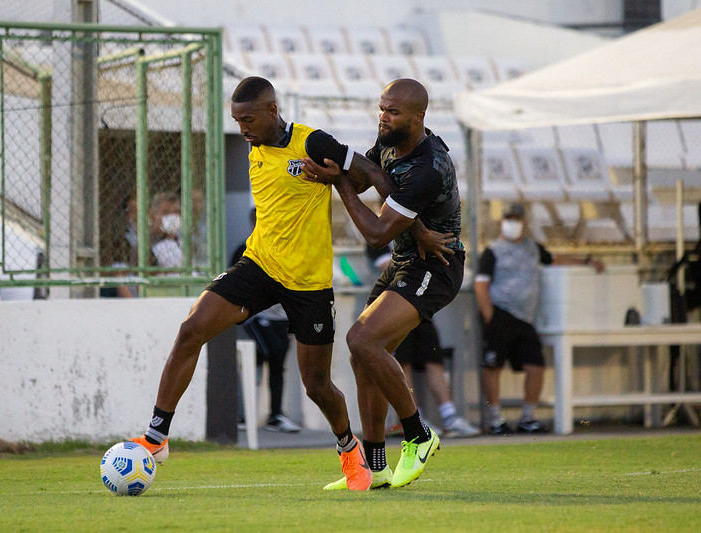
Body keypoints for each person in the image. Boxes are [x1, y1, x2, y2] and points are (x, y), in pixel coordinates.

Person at [131, 76, 401, 491]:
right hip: (259, 266)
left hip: (308, 282)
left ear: (273, 111)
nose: (243, 129)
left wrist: (399, 220)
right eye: (238, 121)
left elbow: (370, 173)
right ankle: (156, 437)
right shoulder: (256, 147)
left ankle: (349, 450)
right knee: (190, 330)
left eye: (250, 119)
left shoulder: (312, 143)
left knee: (316, 386)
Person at [302, 78, 463, 489]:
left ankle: (419, 435)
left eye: (392, 111)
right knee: (364, 356)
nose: (383, 117)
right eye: (381, 108)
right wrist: (337, 171)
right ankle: (375, 467)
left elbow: (375, 232)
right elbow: (370, 181)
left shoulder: (430, 165)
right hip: (405, 261)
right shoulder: (390, 141)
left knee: (362, 340)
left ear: (418, 116)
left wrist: (338, 182)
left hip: (436, 266)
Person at [475, 202, 604, 435]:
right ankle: (495, 419)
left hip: (525, 318)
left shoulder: (532, 248)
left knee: (536, 366)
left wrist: (586, 262)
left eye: (517, 218)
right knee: (493, 366)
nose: (512, 223)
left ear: (524, 222)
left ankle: (527, 418)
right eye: (509, 218)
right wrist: (490, 316)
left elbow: (555, 259)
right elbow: (481, 284)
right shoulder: (493, 251)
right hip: (500, 314)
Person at [368, 245, 479, 439]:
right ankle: (415, 418)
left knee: (433, 359)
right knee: (403, 364)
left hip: (420, 305)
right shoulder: (379, 238)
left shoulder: (415, 231)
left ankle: (449, 416)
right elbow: (392, 269)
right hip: (393, 310)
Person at [230, 208, 301, 433]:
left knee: (278, 362)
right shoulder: (245, 250)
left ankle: (275, 415)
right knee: (264, 354)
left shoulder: (287, 246)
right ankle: (243, 415)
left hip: (281, 316)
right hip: (257, 316)